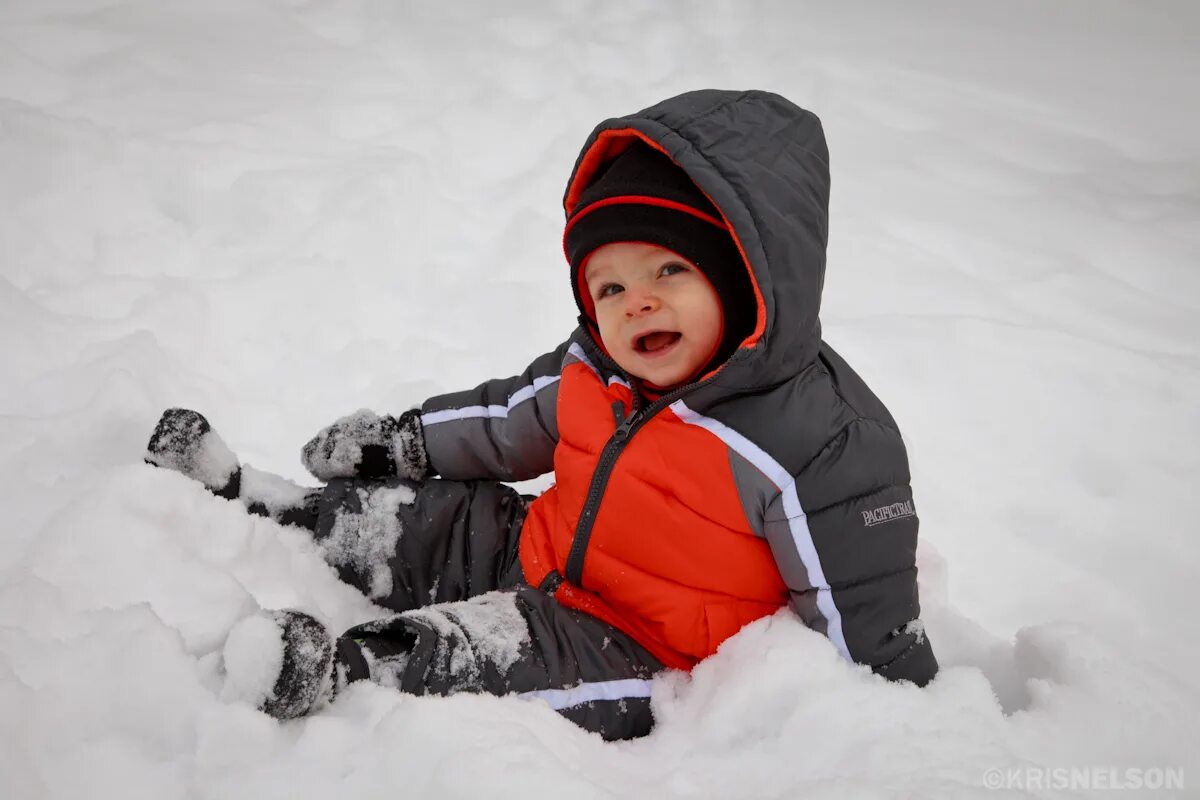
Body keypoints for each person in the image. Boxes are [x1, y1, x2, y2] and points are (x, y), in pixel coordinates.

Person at [145, 89, 937, 741]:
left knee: (485, 654)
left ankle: (343, 670)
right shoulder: (595, 366)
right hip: (541, 549)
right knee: (429, 523)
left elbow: (869, 634)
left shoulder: (821, 440)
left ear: (749, 279)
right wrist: (402, 445)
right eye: (611, 287)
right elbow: (502, 422)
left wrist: (902, 722)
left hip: (642, 649)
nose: (639, 303)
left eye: (670, 269)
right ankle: (279, 510)